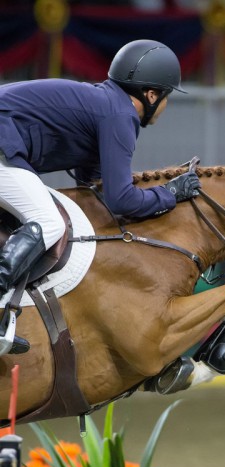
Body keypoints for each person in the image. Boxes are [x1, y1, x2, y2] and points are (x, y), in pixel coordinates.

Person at [0, 39, 201, 354]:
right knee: (50, 223)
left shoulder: (103, 105)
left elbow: (95, 189)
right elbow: (122, 201)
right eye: (166, 96)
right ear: (151, 95)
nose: (165, 105)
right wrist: (170, 193)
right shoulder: (120, 115)